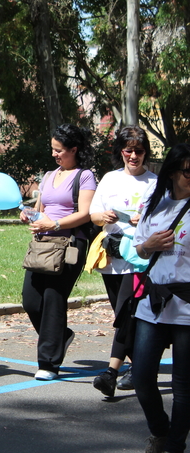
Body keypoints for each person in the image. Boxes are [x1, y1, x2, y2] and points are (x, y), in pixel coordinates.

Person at [20, 124, 97, 381]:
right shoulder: (48, 175)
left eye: (59, 150)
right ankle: (60, 336)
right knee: (30, 300)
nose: (54, 154)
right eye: (52, 149)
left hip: (70, 246)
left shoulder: (85, 176)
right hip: (42, 246)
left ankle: (49, 363)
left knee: (54, 299)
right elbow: (40, 207)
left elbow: (85, 213)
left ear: (74, 149)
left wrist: (53, 224)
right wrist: (28, 214)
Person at [89, 126, 156, 398]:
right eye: (128, 150)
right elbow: (93, 215)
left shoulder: (154, 182)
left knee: (126, 313)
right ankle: (140, 368)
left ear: (145, 153)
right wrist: (103, 217)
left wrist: (146, 221)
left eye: (139, 151)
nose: (133, 156)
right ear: (120, 152)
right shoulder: (109, 179)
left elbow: (166, 219)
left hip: (139, 259)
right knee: (123, 315)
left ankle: (111, 373)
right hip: (112, 256)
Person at [131, 143, 190, 453]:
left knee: (183, 387)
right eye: (188, 172)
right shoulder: (157, 206)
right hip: (153, 301)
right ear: (172, 173)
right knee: (141, 377)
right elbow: (139, 251)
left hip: (187, 306)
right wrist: (150, 244)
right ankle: (161, 431)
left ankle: (174, 445)